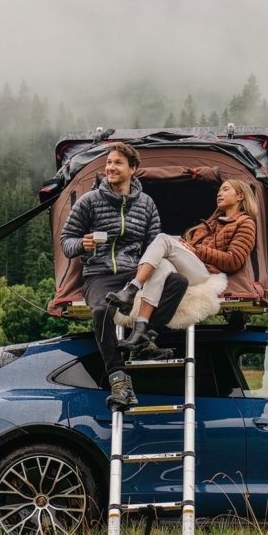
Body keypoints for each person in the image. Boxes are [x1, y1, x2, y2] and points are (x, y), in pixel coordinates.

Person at [60, 143, 188, 410]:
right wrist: (81, 245)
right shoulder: (89, 201)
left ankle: (145, 338)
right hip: (99, 273)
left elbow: (155, 245)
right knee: (100, 310)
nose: (110, 168)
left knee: (178, 282)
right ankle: (118, 380)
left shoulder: (146, 204)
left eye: (117, 163)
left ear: (133, 169)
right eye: (108, 163)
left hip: (133, 272)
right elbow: (65, 241)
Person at [106, 179, 257, 352]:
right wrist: (186, 245)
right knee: (161, 263)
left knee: (162, 239)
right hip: (193, 266)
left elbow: (233, 260)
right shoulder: (212, 222)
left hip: (206, 272)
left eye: (225, 189)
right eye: (219, 190)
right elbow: (191, 250)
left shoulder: (245, 223)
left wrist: (194, 249)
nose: (219, 193)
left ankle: (132, 289)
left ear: (240, 196)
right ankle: (140, 329)